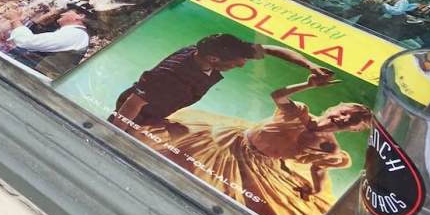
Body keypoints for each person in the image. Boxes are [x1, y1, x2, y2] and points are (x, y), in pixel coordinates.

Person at [159, 73, 372, 215]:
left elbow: (318, 169)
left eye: (352, 121)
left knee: (249, 206)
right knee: (178, 159)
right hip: (233, 141)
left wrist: (315, 190)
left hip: (262, 164)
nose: (343, 119)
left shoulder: (329, 147)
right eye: (344, 112)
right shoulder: (298, 112)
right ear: (333, 108)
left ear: (353, 130)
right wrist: (308, 84)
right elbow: (278, 95)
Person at [110, 33, 333, 137]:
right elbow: (133, 103)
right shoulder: (170, 72)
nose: (243, 63)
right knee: (123, 137)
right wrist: (115, 133)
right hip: (139, 111)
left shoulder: (222, 50)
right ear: (214, 60)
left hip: (164, 106)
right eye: (237, 63)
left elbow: (274, 50)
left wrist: (309, 65)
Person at [6, 8, 90, 78]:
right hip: (27, 74)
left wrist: (15, 19)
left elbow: (27, 41)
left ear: (80, 16)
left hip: (30, 77)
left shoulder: (76, 34)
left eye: (67, 12)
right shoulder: (74, 33)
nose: (62, 14)